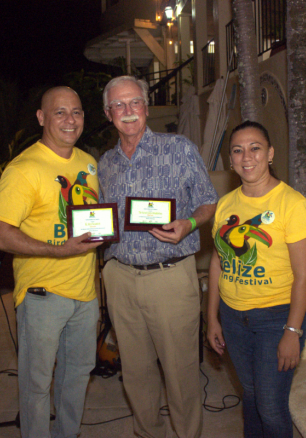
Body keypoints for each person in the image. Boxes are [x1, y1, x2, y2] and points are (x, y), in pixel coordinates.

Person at [98, 75, 219, 438]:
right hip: (120, 278)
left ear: (146, 108)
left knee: (181, 373)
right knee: (135, 374)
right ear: (108, 114)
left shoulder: (179, 148)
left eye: (134, 102)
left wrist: (189, 224)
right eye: (118, 105)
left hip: (170, 277)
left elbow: (208, 201)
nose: (128, 110)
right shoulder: (104, 164)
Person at [0, 86, 102, 438]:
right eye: (60, 112)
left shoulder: (88, 163)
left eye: (77, 112)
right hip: (42, 296)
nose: (70, 120)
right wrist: (58, 250)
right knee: (37, 385)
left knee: (77, 376)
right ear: (41, 117)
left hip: (85, 295)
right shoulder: (24, 169)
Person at [207, 120, 306, 438]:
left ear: (270, 154)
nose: (246, 157)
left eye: (255, 148)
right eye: (237, 150)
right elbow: (217, 261)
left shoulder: (293, 205)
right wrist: (211, 318)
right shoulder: (226, 204)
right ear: (230, 160)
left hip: (276, 318)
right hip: (233, 318)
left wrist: (292, 331)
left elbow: (304, 276)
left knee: (270, 406)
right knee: (252, 396)